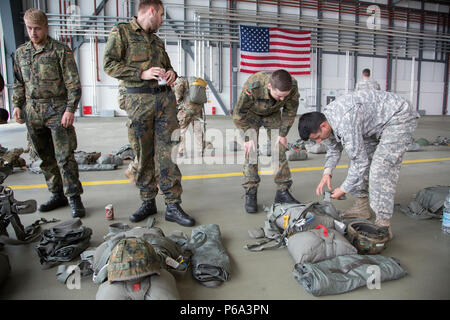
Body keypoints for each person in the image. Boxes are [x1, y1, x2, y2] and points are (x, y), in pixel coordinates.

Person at [103, 0, 195, 227]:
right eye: (162, 15)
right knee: (143, 154)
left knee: (168, 154)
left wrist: (172, 73)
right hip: (139, 101)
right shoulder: (121, 32)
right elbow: (108, 64)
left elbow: (167, 66)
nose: (162, 20)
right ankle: (147, 201)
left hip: (165, 101)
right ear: (151, 11)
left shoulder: (156, 41)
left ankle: (173, 205)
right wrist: (140, 73)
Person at [298, 90, 420, 239]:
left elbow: (360, 162)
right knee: (358, 161)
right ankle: (362, 206)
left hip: (398, 117)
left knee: (380, 169)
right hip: (373, 124)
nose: (318, 142)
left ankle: (383, 225)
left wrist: (344, 188)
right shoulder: (326, 122)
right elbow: (333, 150)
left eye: (317, 138)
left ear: (324, 126)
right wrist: (327, 173)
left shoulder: (344, 122)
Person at [12, 8, 86, 218]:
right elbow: (18, 83)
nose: (33, 33)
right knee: (45, 157)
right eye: (29, 28)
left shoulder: (61, 51)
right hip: (33, 111)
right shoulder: (21, 53)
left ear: (46, 27)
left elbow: (74, 84)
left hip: (57, 110)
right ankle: (56, 194)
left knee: (64, 157)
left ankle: (73, 197)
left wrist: (70, 109)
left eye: (37, 28)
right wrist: (17, 105)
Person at [233, 69, 300, 214]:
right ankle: (251, 190)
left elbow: (290, 111)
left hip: (273, 115)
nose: (282, 99)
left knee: (279, 148)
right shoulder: (254, 85)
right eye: (279, 96)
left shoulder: (292, 86)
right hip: (251, 114)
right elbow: (238, 114)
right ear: (269, 87)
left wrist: (283, 133)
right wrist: (247, 137)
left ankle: (282, 191)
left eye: (285, 96)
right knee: (251, 151)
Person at [173, 76, 205, 157]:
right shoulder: (193, 81)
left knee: (182, 130)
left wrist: (178, 102)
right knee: (198, 130)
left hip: (186, 110)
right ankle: (200, 151)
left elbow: (178, 94)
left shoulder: (180, 80)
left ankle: (181, 151)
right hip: (198, 109)